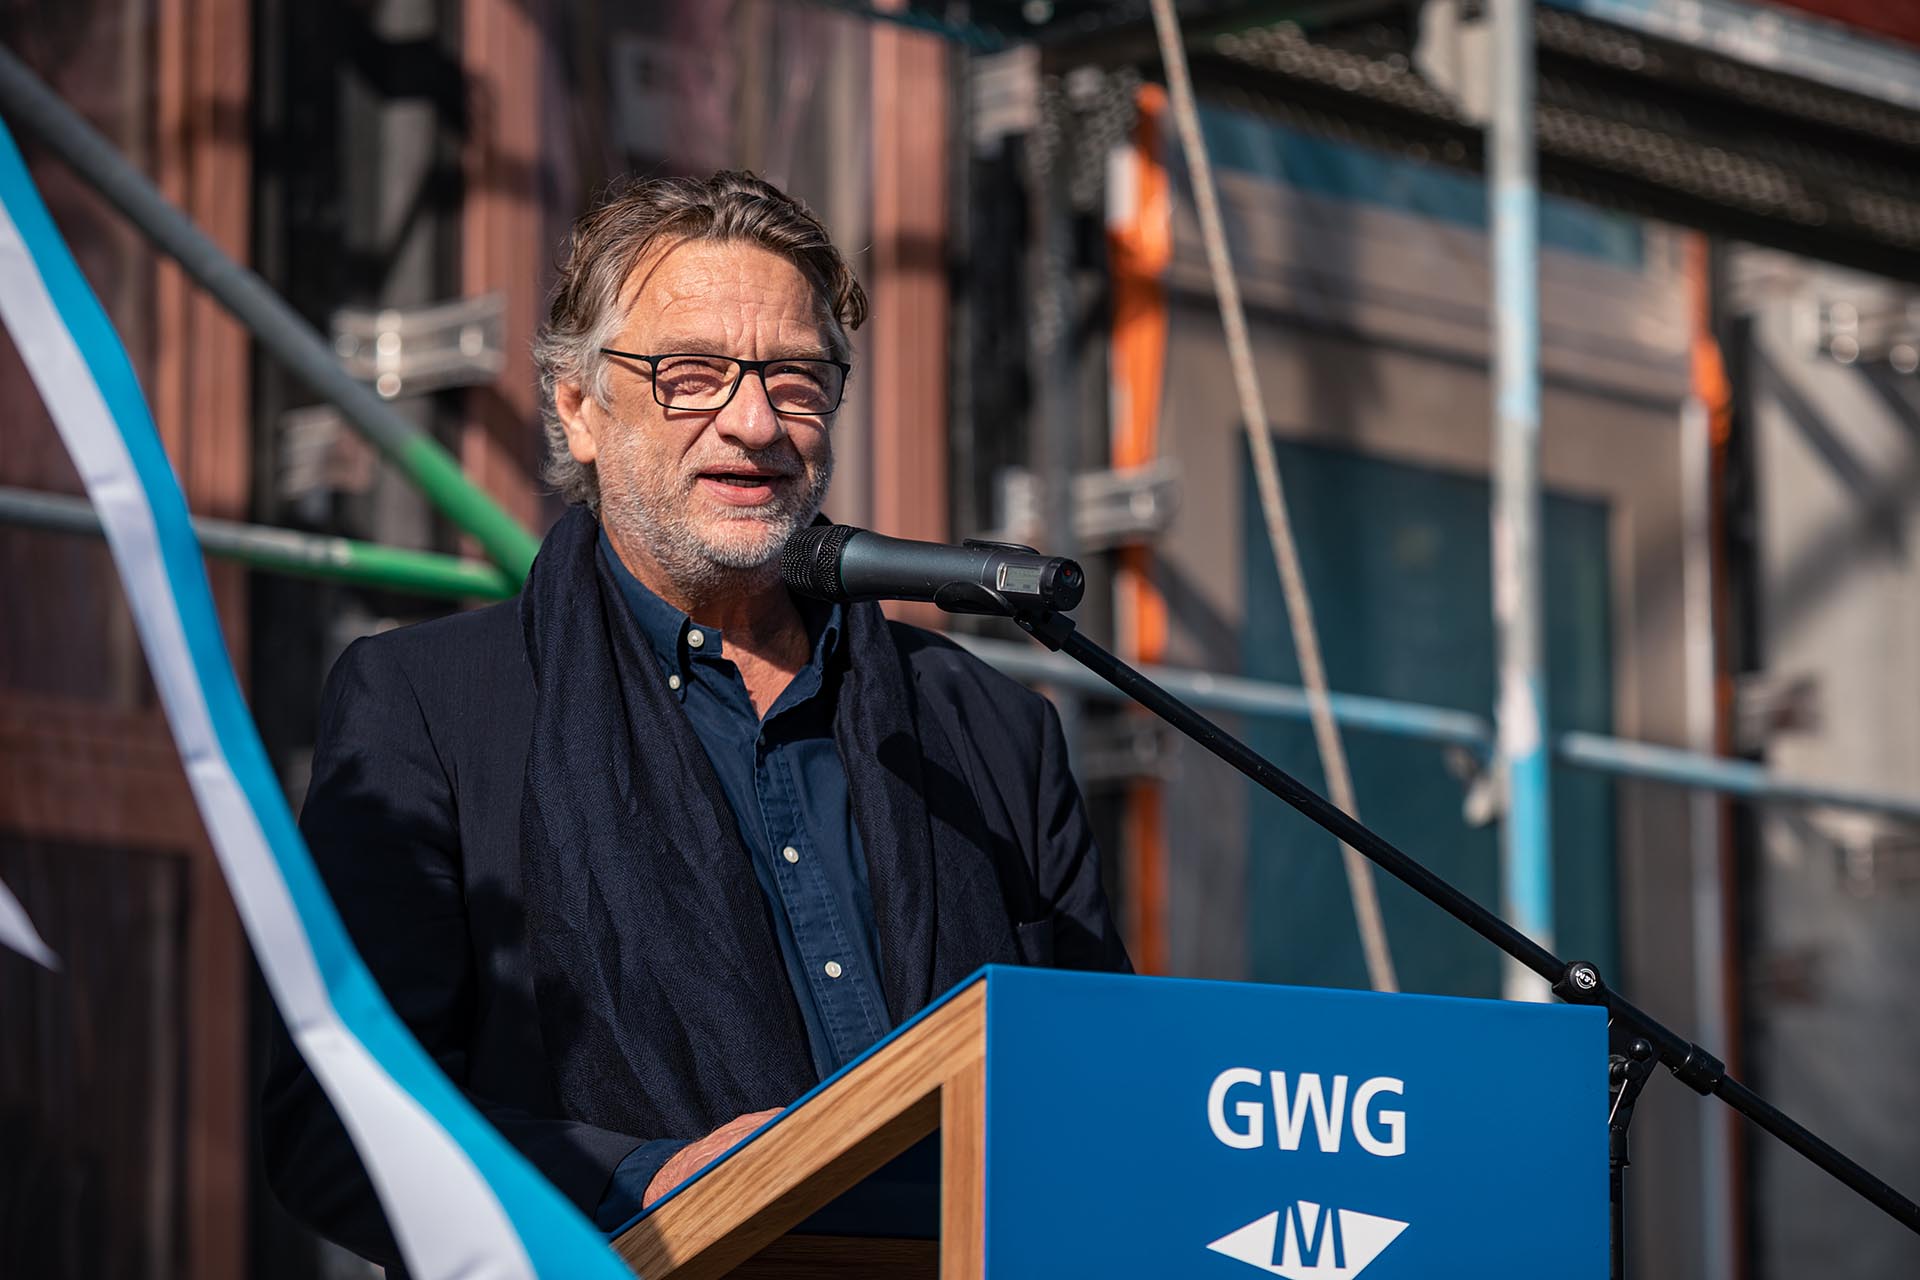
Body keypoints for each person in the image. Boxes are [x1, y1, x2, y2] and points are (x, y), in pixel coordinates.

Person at [261, 170, 1130, 1267]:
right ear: (578, 409)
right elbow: (340, 1119)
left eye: (796, 379)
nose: (755, 422)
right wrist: (644, 1185)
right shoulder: (430, 709)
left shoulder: (991, 730)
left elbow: (1110, 1097)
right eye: (692, 376)